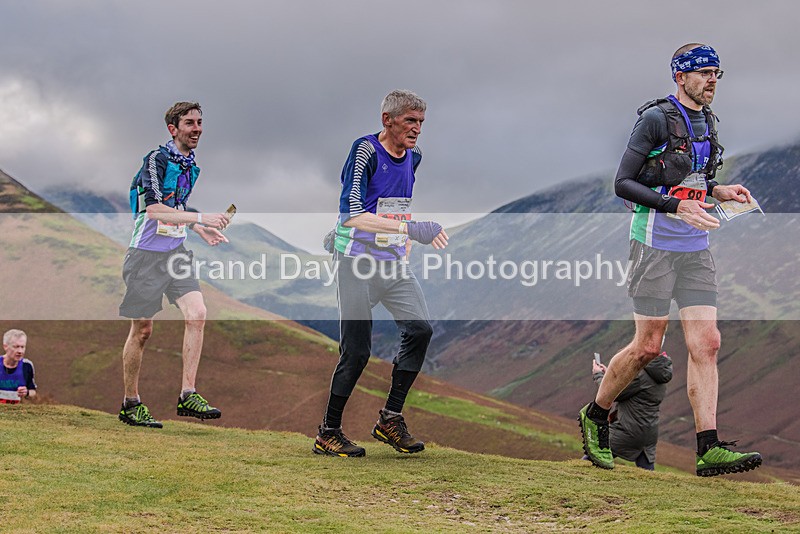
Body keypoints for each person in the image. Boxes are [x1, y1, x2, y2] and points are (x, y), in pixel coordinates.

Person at [578, 43, 763, 477]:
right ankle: (595, 415)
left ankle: (708, 448)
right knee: (648, 347)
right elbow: (623, 183)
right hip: (654, 244)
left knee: (708, 342)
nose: (712, 79)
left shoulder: (708, 121)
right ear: (681, 77)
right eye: (703, 73)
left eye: (717, 72)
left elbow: (696, 178)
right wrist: (674, 207)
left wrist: (720, 191)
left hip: (695, 248)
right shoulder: (656, 118)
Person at [313, 90, 449, 457]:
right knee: (356, 351)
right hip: (355, 262)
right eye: (410, 120)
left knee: (420, 329)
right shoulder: (365, 152)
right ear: (387, 119)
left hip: (391, 263)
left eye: (421, 122)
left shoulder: (414, 157)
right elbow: (354, 214)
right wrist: (411, 230)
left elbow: (394, 205)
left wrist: (402, 237)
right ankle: (328, 431)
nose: (417, 129)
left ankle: (390, 418)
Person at [118, 102, 231, 428]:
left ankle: (188, 394)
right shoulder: (157, 159)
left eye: (200, 123)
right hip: (145, 255)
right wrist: (200, 217)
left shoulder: (190, 165)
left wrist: (197, 227)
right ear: (173, 128)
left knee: (197, 314)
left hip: (176, 252)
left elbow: (175, 205)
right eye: (189, 123)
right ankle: (131, 403)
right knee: (142, 331)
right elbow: (154, 209)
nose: (197, 129)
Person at [589, 352, 673, 470]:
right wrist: (608, 374)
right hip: (649, 432)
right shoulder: (661, 372)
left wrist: (598, 375)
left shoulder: (640, 375)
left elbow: (610, 393)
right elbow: (633, 388)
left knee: (592, 457)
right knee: (647, 474)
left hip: (627, 430)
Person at [0, 329, 37, 404]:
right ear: (5, 347)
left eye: (22, 347)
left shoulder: (27, 366)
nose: (20, 351)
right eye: (16, 347)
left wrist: (26, 392)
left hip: (17, 412)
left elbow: (33, 392)